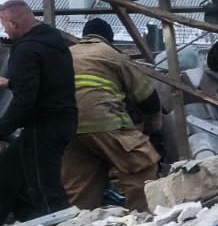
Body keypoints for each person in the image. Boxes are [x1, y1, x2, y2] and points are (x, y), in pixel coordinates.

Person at [0, 0, 77, 226]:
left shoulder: (25, 50)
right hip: (62, 121)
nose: (4, 30)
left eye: (4, 25)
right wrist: (12, 82)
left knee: (44, 187)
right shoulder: (53, 42)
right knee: (4, 167)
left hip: (44, 125)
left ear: (13, 23)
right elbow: (48, 83)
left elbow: (25, 101)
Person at [61, 18, 163, 212]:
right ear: (109, 38)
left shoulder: (65, 54)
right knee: (141, 166)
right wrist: (152, 126)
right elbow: (147, 97)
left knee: (80, 185)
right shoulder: (113, 55)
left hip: (66, 126)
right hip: (104, 120)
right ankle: (144, 219)